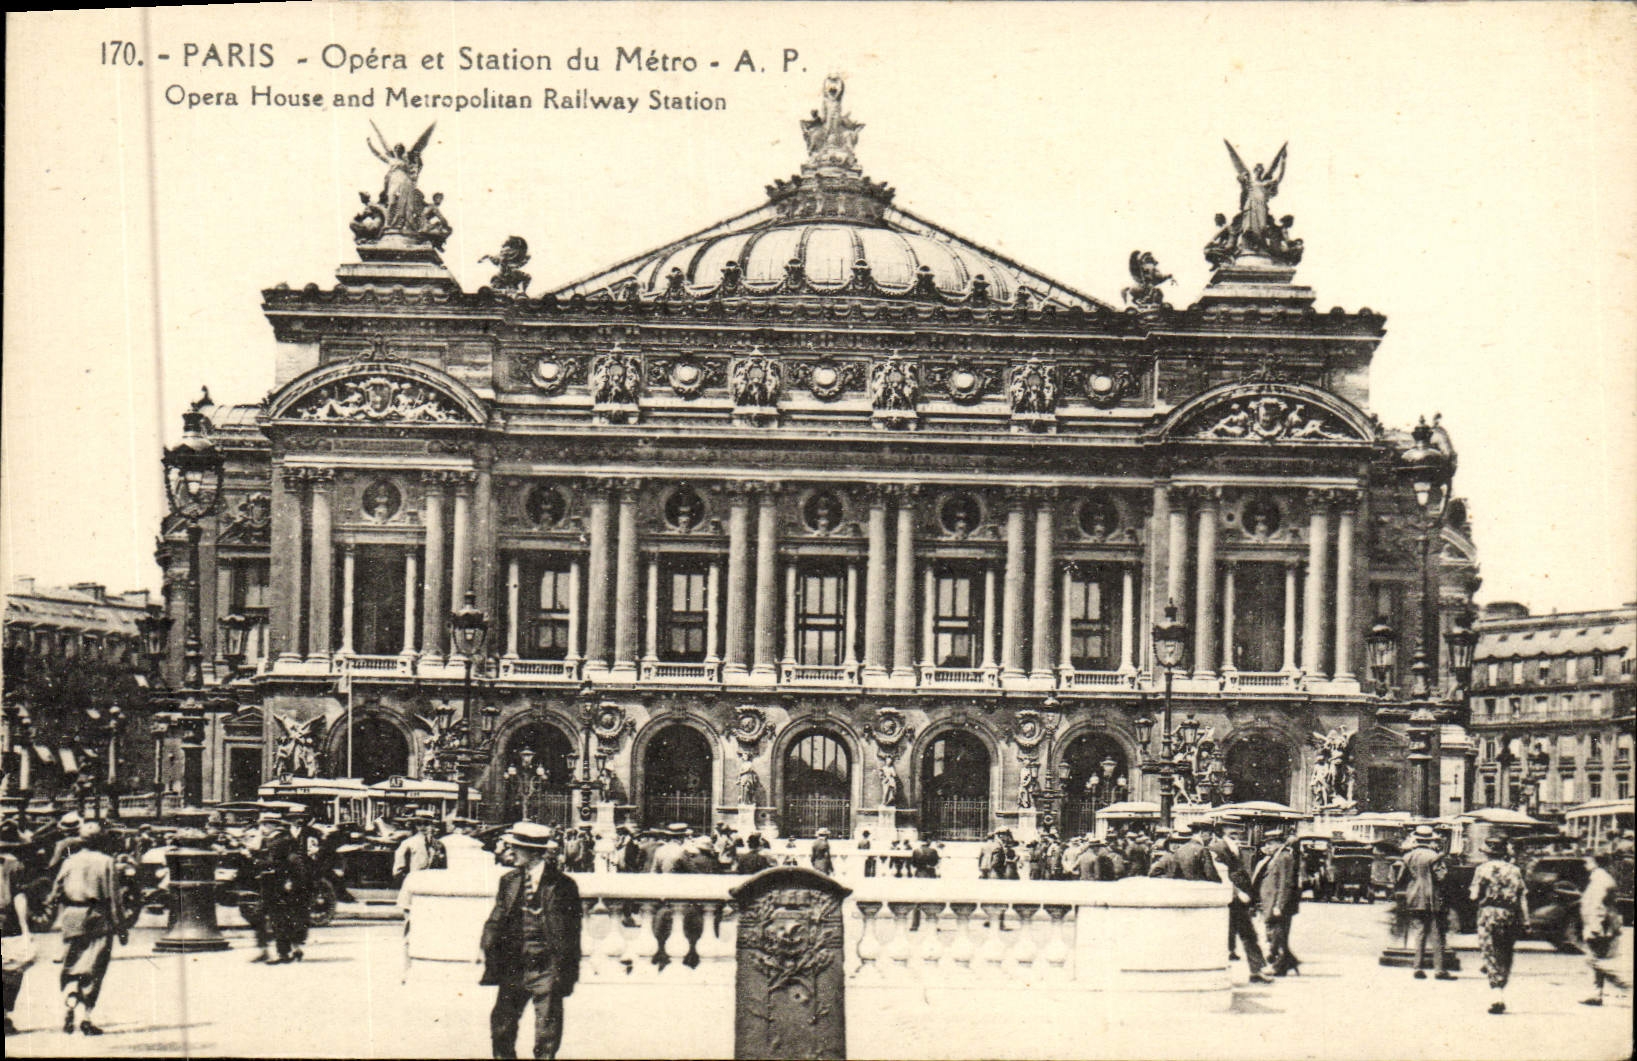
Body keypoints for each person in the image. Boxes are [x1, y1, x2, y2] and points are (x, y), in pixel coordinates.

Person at [482, 823, 582, 1060]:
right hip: (514, 964)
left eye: (516, 848)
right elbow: (496, 918)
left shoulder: (563, 885)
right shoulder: (509, 880)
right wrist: (486, 945)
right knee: (501, 1026)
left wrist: (567, 971)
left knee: (547, 1031)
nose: (510, 852)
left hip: (546, 965)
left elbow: (572, 932)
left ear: (534, 852)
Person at [50, 821, 124, 1036]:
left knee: (72, 962)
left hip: (73, 916)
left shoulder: (70, 861)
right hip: (98, 917)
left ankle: (71, 995)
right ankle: (85, 1017)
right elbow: (114, 898)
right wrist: (121, 927)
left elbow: (56, 891)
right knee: (95, 967)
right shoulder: (107, 862)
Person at [1470, 835, 1529, 1014]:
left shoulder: (1482, 869)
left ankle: (1497, 994)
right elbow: (1522, 897)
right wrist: (1526, 920)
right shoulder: (1515, 870)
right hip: (1509, 915)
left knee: (1489, 952)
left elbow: (1474, 895)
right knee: (1505, 953)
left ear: (1487, 853)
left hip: (1488, 914)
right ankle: (1501, 985)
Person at [1207, 825, 1270, 984]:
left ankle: (1256, 970)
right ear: (1222, 831)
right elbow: (1221, 876)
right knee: (1239, 935)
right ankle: (1252, 971)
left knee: (1247, 934)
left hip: (1238, 899)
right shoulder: (1217, 848)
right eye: (1232, 829)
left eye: (1238, 829)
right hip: (1231, 898)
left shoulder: (1234, 847)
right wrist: (1238, 892)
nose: (1238, 832)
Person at [1396, 825, 1455, 981]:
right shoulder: (1434, 856)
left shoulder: (1408, 856)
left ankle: (1418, 967)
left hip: (1414, 896)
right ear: (1430, 840)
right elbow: (1441, 877)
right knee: (1436, 933)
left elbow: (1399, 878)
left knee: (1419, 932)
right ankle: (1439, 970)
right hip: (1432, 897)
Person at [259, 821, 316, 964]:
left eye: (264, 825)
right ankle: (294, 949)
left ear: (272, 825)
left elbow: (279, 862)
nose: (262, 828)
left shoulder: (280, 841)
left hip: (280, 885)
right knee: (285, 919)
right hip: (282, 884)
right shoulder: (282, 840)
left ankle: (284, 953)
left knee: (279, 919)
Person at [1578, 849, 1631, 1006]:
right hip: (1601, 924)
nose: (1585, 864)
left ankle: (1623, 983)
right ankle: (1596, 994)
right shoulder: (1600, 878)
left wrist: (1595, 927)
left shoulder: (1600, 880)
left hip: (1600, 925)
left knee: (1595, 960)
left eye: (1588, 861)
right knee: (1595, 958)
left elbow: (1597, 905)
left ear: (1595, 862)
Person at [1253, 828, 1302, 976]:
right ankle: (1289, 962)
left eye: (1270, 843)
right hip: (1271, 902)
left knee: (1277, 935)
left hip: (1277, 903)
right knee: (1276, 934)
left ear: (1278, 843)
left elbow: (1285, 883)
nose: (1268, 846)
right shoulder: (1276, 856)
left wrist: (1279, 905)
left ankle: (1279, 966)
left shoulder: (1284, 857)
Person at [2, 822, 34, 1037]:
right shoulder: (15, 865)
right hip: (8, 922)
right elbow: (19, 897)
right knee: (12, 970)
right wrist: (25, 928)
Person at [394, 815, 447, 885]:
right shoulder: (408, 843)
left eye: (426, 823)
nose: (422, 827)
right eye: (419, 824)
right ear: (415, 825)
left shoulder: (438, 844)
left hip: (432, 883)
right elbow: (399, 867)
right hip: (414, 882)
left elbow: (442, 867)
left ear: (432, 825)